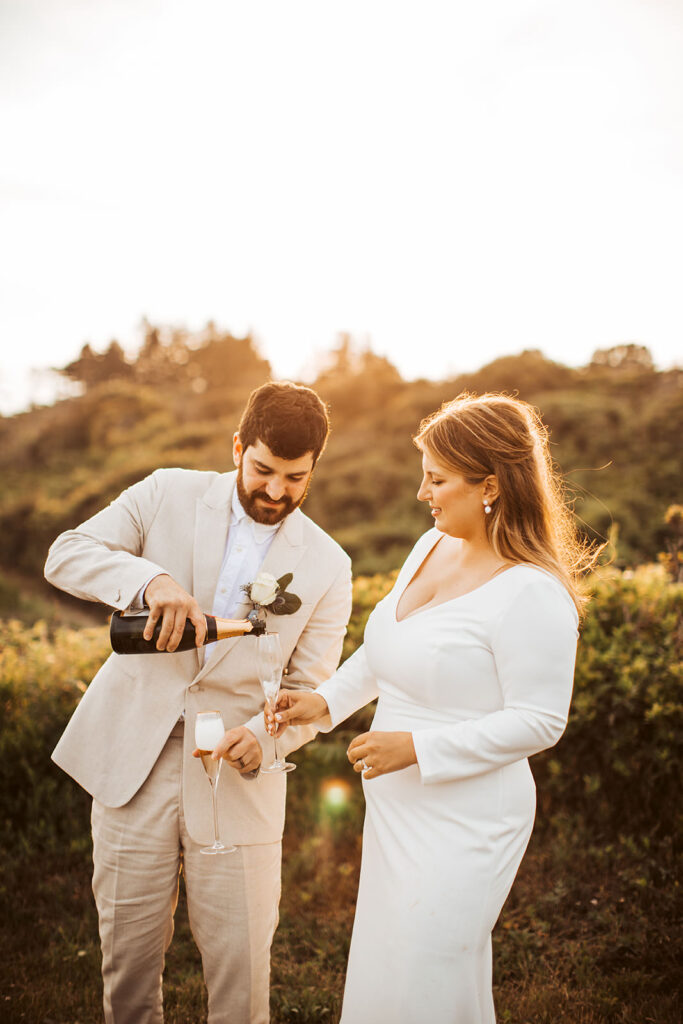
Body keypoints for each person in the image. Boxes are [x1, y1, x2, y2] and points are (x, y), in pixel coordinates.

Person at [270, 392, 594, 1024]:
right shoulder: (430, 546)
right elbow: (385, 649)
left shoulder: (532, 592)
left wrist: (415, 748)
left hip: (470, 817)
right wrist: (324, 702)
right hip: (398, 810)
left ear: (491, 485)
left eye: (438, 479)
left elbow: (541, 720)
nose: (423, 493)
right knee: (390, 970)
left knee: (430, 972)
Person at [45, 381, 352, 1024]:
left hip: (239, 783)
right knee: (127, 966)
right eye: (263, 470)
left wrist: (267, 740)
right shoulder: (166, 492)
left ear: (314, 468)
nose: (275, 492)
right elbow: (65, 554)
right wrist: (150, 580)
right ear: (237, 446)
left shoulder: (328, 564)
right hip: (135, 764)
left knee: (242, 974)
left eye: (295, 479)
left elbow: (311, 688)